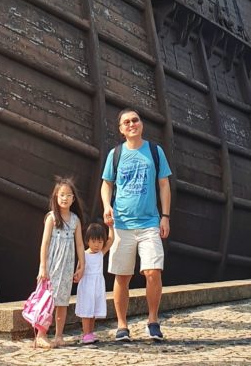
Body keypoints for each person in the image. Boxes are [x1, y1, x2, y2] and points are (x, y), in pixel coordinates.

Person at [100, 108, 172, 342]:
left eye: (135, 120)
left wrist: (165, 216)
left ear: (141, 124)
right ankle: (122, 325)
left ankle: (152, 320)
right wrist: (106, 205)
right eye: (126, 122)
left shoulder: (154, 151)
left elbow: (163, 185)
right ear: (121, 129)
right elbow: (106, 184)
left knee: (153, 272)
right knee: (122, 276)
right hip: (121, 223)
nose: (132, 124)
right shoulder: (116, 154)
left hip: (150, 222)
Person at [35, 178, 85, 348]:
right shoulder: (51, 218)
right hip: (52, 264)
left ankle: (58, 335)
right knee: (47, 300)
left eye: (68, 195)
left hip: (67, 265)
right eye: (61, 195)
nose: (65, 198)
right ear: (56, 197)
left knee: (62, 301)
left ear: (73, 199)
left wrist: (81, 264)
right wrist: (43, 266)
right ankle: (41, 334)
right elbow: (45, 243)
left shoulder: (75, 220)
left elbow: (79, 244)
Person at [75, 222, 114, 344]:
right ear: (87, 241)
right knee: (87, 310)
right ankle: (86, 334)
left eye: (100, 242)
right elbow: (78, 269)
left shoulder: (101, 253)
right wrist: (76, 276)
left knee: (93, 311)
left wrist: (111, 226)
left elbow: (111, 239)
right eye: (94, 241)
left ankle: (90, 332)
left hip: (97, 286)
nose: (97, 245)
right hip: (86, 285)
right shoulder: (84, 254)